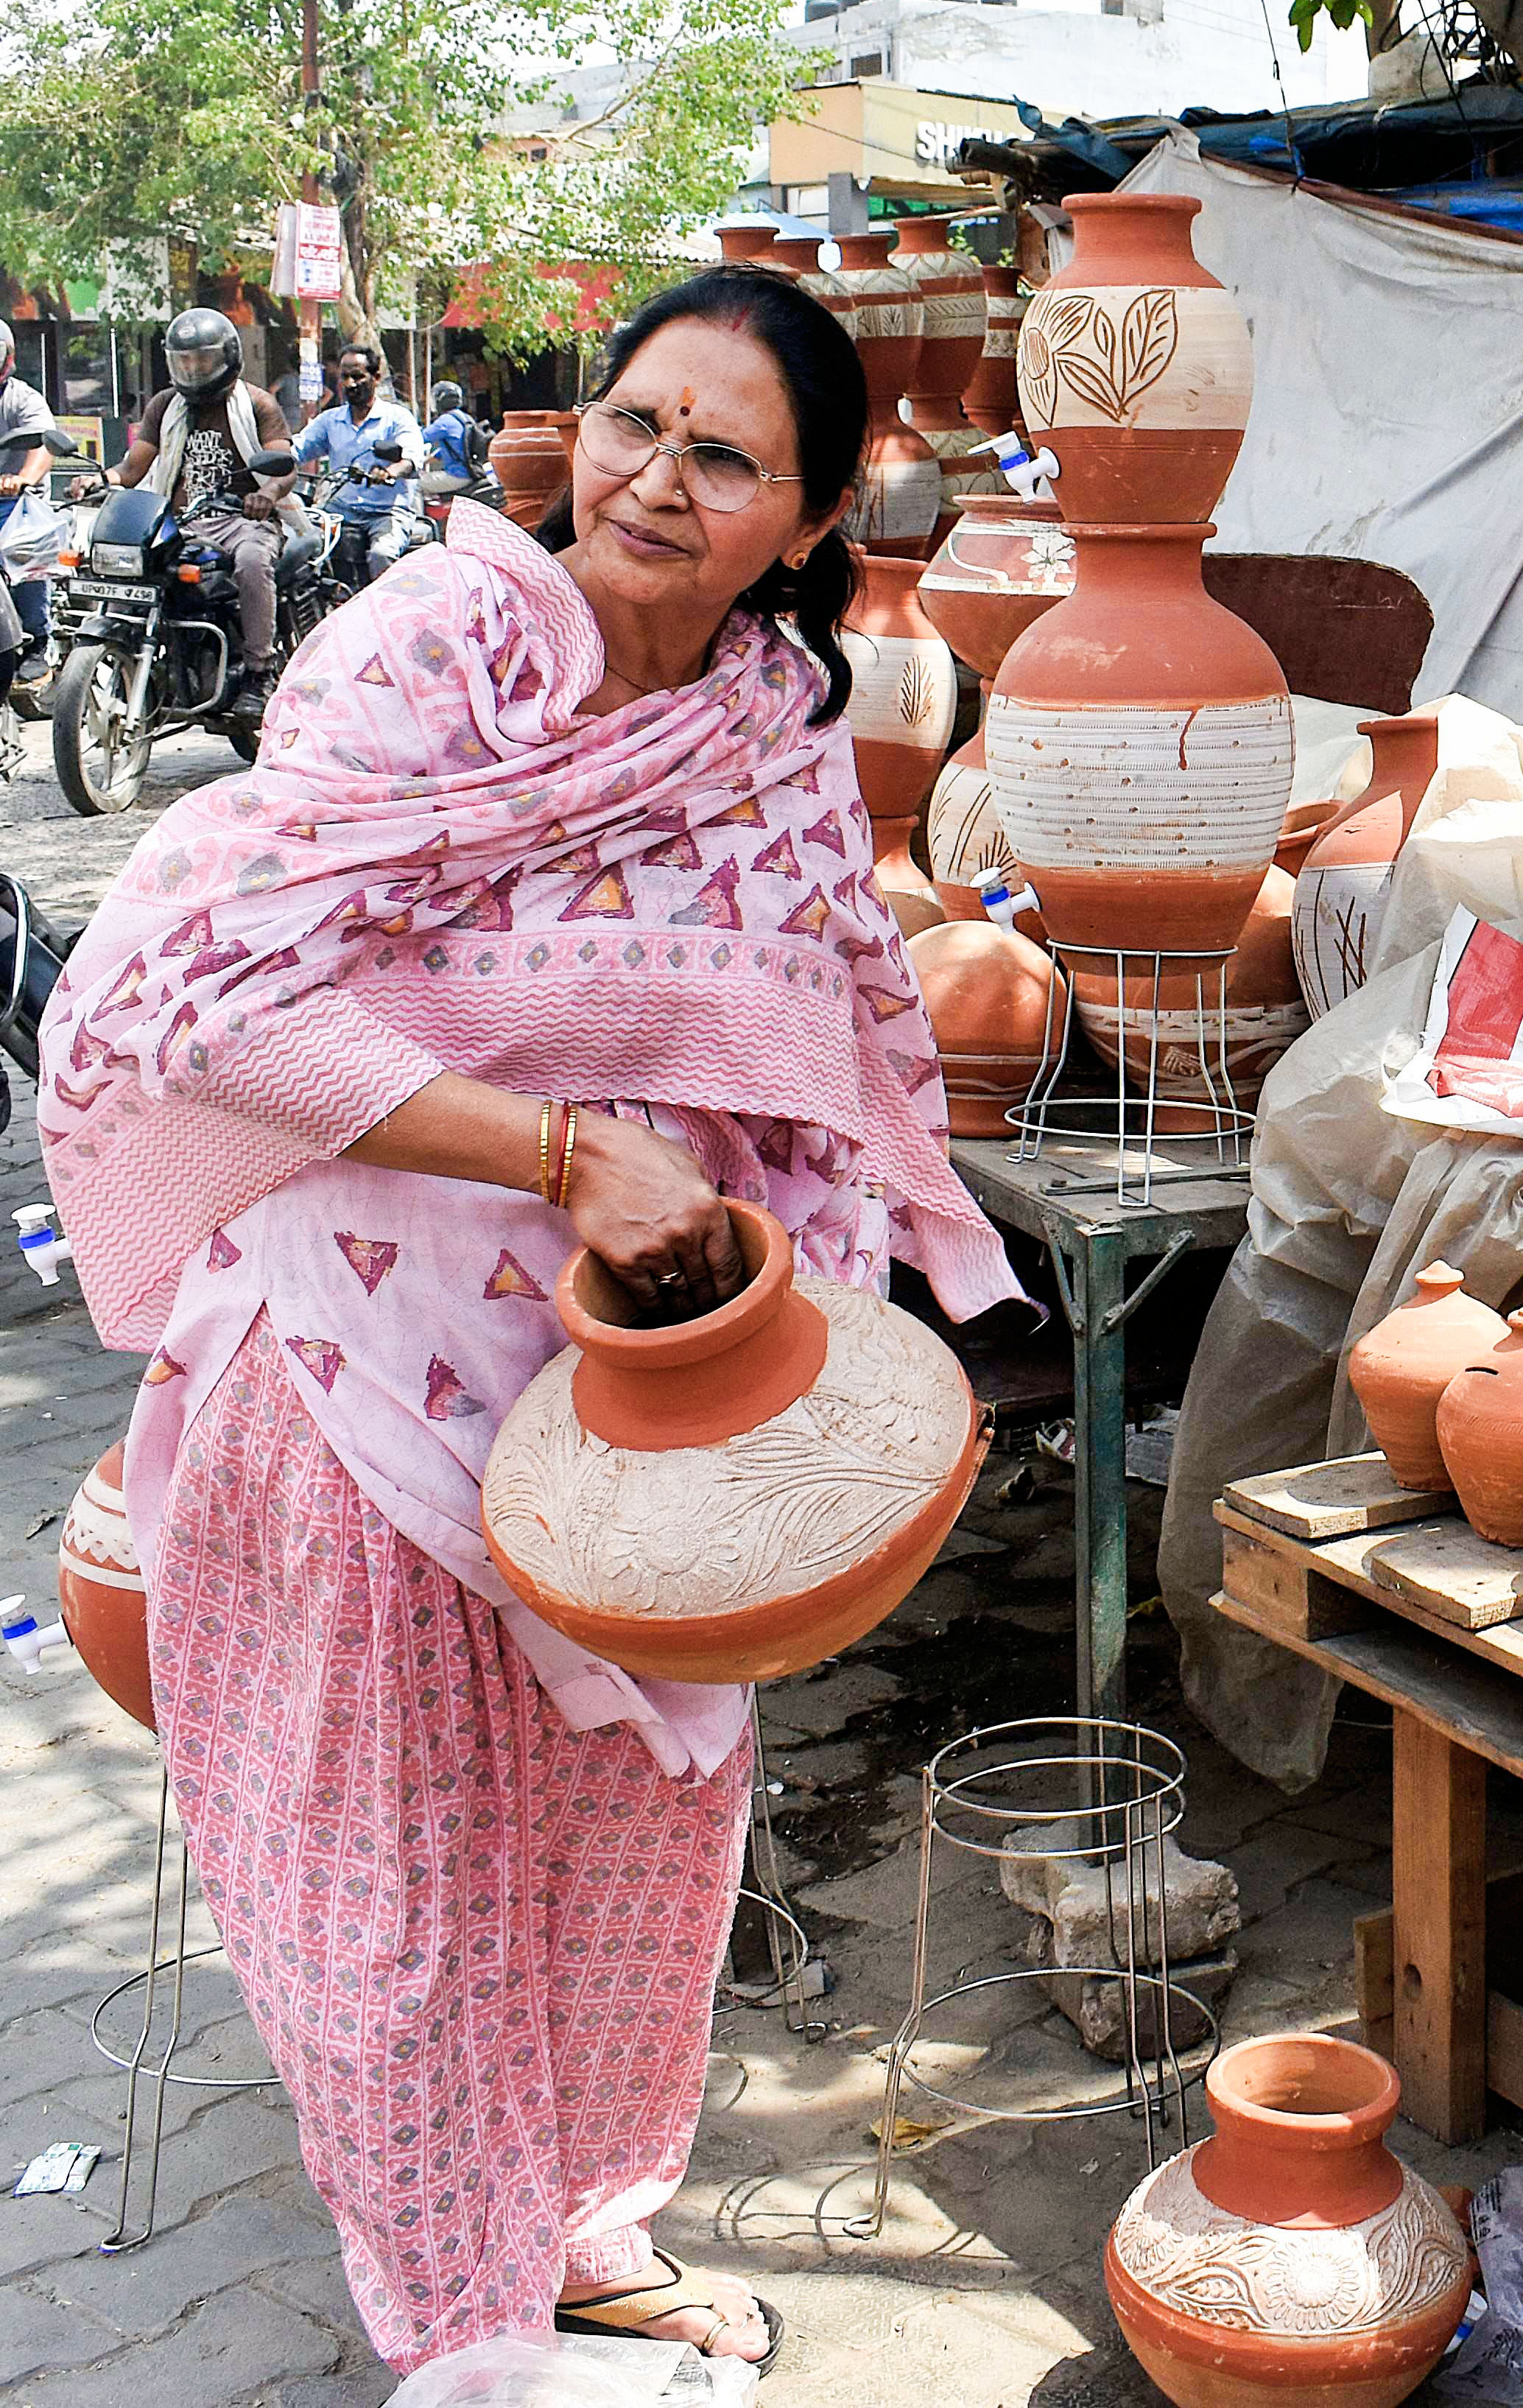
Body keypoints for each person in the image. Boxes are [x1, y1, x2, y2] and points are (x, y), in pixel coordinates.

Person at [37, 267, 1016, 2378]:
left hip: (636, 1390)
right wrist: (571, 1153)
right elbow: (209, 1001)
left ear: (818, 516)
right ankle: (465, 2334)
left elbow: (823, 1027)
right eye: (638, 422)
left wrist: (815, 1312)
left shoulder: (773, 726)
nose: (658, 480)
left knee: (634, 1840)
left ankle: (580, 2232)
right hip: (363, 1352)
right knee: (391, 1876)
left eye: (727, 455)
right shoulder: (428, 647)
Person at [105, 308, 291, 698]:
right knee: (135, 568)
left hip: (242, 521)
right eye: (184, 361)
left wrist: (267, 495)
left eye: (203, 360)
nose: (193, 369)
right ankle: (141, 655)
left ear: (227, 357)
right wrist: (100, 479)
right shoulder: (164, 405)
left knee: (253, 563)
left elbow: (284, 466)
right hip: (182, 522)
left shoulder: (258, 404)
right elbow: (133, 467)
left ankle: (260, 670)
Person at [290, 342, 421, 550]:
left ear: (376, 378)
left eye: (358, 377)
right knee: (303, 547)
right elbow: (298, 448)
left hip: (386, 512)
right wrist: (273, 459)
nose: (350, 384)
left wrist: (389, 472)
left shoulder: (397, 418)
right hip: (340, 509)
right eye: (344, 377)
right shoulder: (330, 420)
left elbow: (411, 459)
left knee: (382, 553)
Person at [0, 365, 57, 691]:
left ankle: (37, 640)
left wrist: (23, 478)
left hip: (17, 502)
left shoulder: (22, 399)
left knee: (23, 546)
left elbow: (43, 444)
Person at [423, 378, 480, 481]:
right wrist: (426, 461)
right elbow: (456, 448)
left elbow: (419, 438)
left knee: (415, 485)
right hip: (472, 472)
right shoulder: (466, 418)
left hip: (457, 475)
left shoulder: (445, 421)